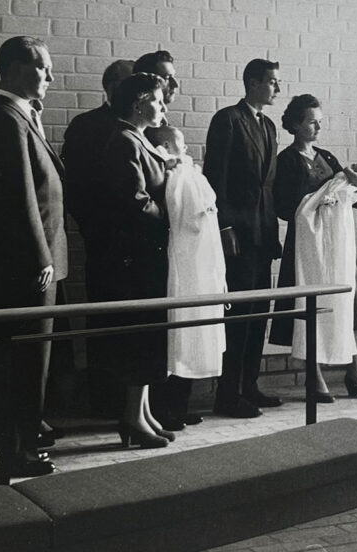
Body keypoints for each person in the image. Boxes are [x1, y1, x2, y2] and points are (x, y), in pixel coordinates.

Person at [0, 36, 66, 480]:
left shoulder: (20, 115)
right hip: (26, 266)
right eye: (42, 67)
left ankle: (19, 442)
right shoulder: (6, 118)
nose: (50, 76)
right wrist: (40, 259)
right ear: (14, 68)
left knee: (31, 360)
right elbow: (20, 197)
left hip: (34, 262)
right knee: (23, 362)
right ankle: (14, 451)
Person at [271, 94, 357, 401]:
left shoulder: (328, 157)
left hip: (339, 242)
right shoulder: (286, 161)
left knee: (350, 304)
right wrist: (320, 197)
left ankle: (354, 372)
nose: (317, 128)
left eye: (320, 121)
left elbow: (356, 198)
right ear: (295, 124)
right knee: (312, 305)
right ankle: (313, 375)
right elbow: (284, 205)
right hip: (308, 244)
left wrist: (356, 184)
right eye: (311, 122)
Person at [94, 72, 174, 449]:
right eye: (158, 101)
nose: (163, 107)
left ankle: (141, 413)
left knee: (148, 336)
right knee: (139, 336)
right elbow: (135, 201)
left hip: (147, 254)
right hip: (135, 256)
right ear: (140, 101)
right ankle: (131, 417)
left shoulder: (137, 139)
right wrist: (170, 213)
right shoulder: (124, 141)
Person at [203, 58, 284, 417]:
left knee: (258, 314)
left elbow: (268, 184)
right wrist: (223, 228)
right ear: (252, 83)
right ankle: (228, 392)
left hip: (262, 232)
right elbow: (215, 179)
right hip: (237, 234)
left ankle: (249, 384)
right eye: (272, 82)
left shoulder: (267, 125)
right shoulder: (228, 120)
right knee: (238, 316)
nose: (277, 89)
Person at [63, 58, 134, 420]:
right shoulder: (85, 126)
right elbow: (73, 187)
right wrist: (95, 228)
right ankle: (104, 400)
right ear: (108, 87)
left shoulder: (144, 123)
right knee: (104, 319)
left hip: (139, 245)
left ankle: (135, 404)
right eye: (122, 83)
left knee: (137, 325)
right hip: (105, 240)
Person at [132, 50, 199, 430]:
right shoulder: (136, 132)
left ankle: (173, 403)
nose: (172, 87)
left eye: (173, 80)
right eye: (164, 79)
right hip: (153, 240)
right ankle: (154, 408)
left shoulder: (163, 125)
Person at [145, 125, 227, 386]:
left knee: (198, 322)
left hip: (201, 255)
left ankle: (182, 399)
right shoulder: (172, 173)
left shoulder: (186, 171)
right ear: (166, 147)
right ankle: (171, 402)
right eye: (181, 144)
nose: (187, 149)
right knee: (182, 324)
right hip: (183, 255)